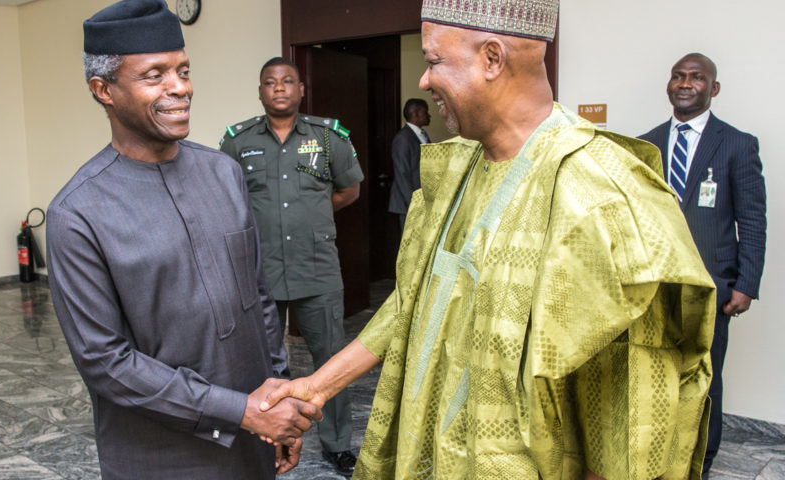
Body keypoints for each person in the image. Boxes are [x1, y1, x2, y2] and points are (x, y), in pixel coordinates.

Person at [259, 1, 718, 479]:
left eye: (434, 60)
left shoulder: (602, 197)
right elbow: (413, 301)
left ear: (492, 59)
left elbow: (627, 417)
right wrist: (317, 385)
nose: (423, 79)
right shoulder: (455, 168)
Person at [45, 2, 321, 479]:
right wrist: (243, 410)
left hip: (252, 443)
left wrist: (278, 400)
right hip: (160, 457)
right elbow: (106, 362)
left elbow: (258, 298)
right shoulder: (77, 214)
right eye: (155, 75)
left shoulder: (223, 173)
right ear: (103, 89)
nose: (181, 87)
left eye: (184, 69)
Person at [219, 56, 364, 476]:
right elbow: (225, 200)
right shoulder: (237, 140)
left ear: (301, 90)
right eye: (270, 82)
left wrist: (312, 215)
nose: (279, 88)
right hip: (259, 272)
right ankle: (267, 439)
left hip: (316, 268)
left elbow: (349, 190)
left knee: (331, 362)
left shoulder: (326, 137)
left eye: (287, 81)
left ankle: (337, 445)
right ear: (260, 91)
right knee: (261, 364)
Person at [639, 53, 767, 478]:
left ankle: (701, 461)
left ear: (713, 89)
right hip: (653, 286)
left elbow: (751, 218)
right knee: (654, 374)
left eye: (697, 77)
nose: (685, 82)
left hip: (712, 285)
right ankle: (656, 454)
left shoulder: (736, 144)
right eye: (678, 75)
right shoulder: (646, 144)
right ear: (669, 85)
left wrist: (746, 283)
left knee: (705, 377)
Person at [388, 98, 431, 232]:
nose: (429, 116)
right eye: (426, 112)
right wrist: (414, 203)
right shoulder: (403, 138)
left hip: (423, 198)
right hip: (409, 202)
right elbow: (402, 174)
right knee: (410, 244)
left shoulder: (422, 134)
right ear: (416, 114)